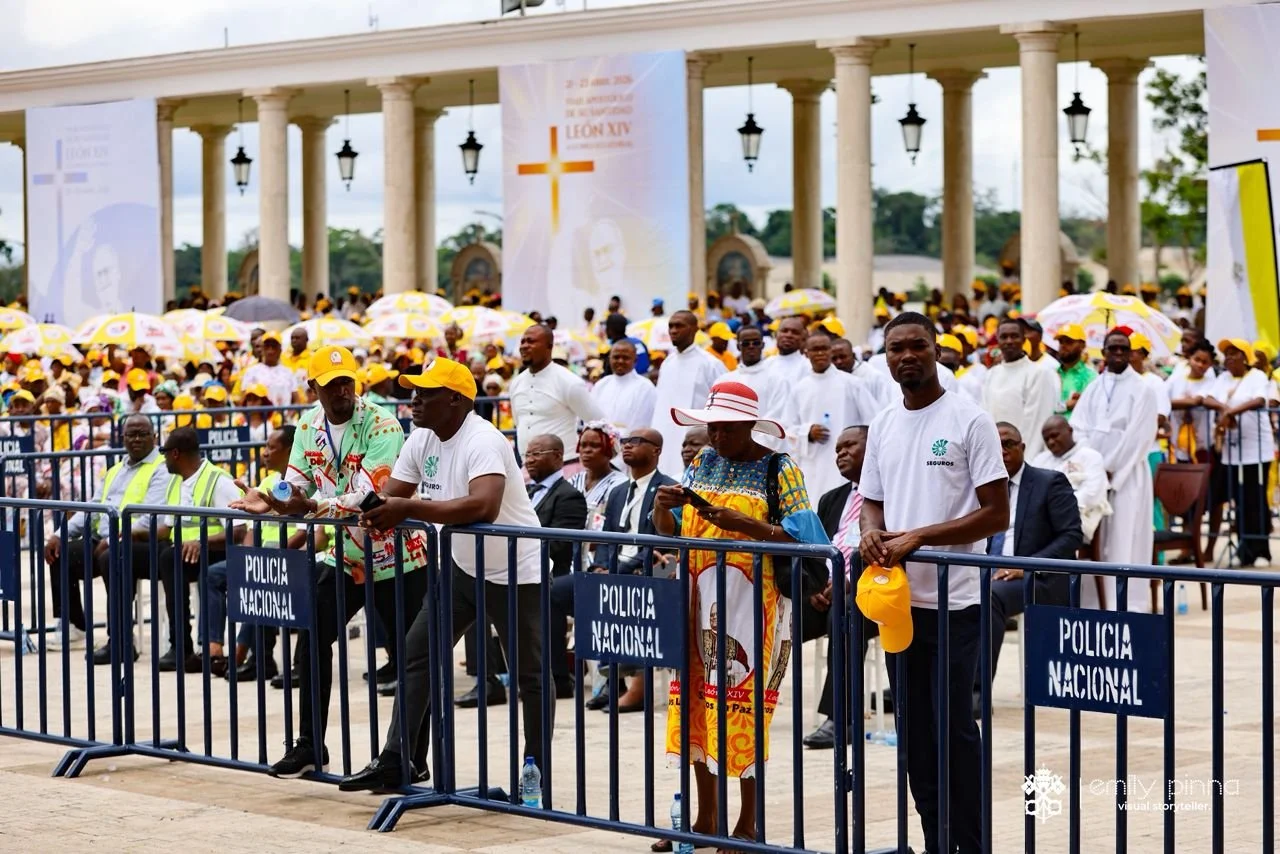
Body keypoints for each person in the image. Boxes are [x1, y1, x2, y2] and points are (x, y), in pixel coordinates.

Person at [339, 357, 552, 792]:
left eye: (426, 393)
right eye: (414, 392)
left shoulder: (483, 440)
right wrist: (365, 507)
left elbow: (483, 506)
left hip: (516, 571)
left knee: (529, 675)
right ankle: (398, 759)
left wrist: (408, 508)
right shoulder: (422, 438)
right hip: (462, 567)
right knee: (416, 653)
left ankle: (536, 770)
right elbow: (392, 495)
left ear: (455, 400)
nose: (414, 400)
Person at [232, 345, 430, 779]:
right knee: (311, 638)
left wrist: (308, 506)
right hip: (345, 553)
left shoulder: (382, 424)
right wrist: (271, 498)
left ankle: (411, 759)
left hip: (398, 555)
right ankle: (309, 745)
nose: (342, 391)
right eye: (332, 384)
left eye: (347, 382)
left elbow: (370, 493)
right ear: (313, 387)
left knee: (411, 657)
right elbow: (296, 483)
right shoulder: (307, 425)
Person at [858, 311, 1008, 854]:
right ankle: (933, 841)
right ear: (886, 357)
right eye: (896, 348)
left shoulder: (970, 420)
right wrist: (871, 533)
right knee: (915, 737)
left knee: (953, 731)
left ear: (937, 349)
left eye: (917, 345)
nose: (907, 356)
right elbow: (872, 500)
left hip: (956, 603)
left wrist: (919, 536)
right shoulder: (882, 423)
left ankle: (969, 844)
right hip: (899, 604)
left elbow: (996, 514)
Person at [653, 381, 828, 848]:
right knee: (694, 705)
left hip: (755, 606)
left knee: (744, 710)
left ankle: (748, 824)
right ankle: (705, 819)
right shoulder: (702, 462)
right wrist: (661, 506)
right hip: (696, 601)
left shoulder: (779, 468)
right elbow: (669, 530)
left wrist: (748, 525)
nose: (717, 436)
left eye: (727, 428)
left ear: (750, 425)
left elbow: (807, 538)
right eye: (712, 427)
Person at [42, 414, 174, 660]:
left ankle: (121, 641)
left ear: (154, 437)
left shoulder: (162, 468)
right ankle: (75, 626)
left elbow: (151, 517)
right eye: (131, 435)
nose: (136, 439)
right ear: (123, 438)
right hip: (106, 539)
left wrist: (115, 539)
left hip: (145, 542)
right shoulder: (115, 471)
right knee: (60, 554)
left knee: (112, 557)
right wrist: (60, 534)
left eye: (143, 434)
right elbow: (93, 509)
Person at [975, 422, 1081, 706]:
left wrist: (1027, 566)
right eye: (995, 445)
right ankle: (930, 684)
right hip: (987, 573)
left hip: (1038, 579)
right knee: (936, 591)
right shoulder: (981, 487)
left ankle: (975, 693)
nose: (1002, 451)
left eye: (1008, 444)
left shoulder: (1050, 482)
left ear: (1022, 447)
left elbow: (1071, 536)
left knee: (989, 597)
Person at [801, 426, 882, 750]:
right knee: (776, 613)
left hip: (874, 593)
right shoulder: (832, 498)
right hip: (828, 592)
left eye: (850, 446)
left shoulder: (891, 495)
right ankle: (742, 699)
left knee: (846, 613)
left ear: (873, 449)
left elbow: (891, 552)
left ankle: (841, 718)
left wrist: (849, 582)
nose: (841, 454)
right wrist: (814, 587)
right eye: (837, 449)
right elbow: (815, 550)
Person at [1069, 330, 1160, 611]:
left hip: (1127, 476)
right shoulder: (1095, 387)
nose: (1118, 353)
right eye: (1113, 348)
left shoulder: (1143, 389)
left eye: (1123, 349)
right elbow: (1078, 427)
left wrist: (1111, 471)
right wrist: (1093, 467)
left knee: (1124, 539)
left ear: (1131, 352)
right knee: (1096, 539)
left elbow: (1139, 436)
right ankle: (1095, 604)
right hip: (1094, 477)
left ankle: (1126, 605)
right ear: (1103, 352)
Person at [154, 427, 246, 671]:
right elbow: (167, 528)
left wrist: (200, 542)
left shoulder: (219, 481)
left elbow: (239, 531)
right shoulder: (176, 482)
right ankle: (125, 641)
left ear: (175, 453)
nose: (163, 459)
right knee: (128, 555)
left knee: (169, 558)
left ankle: (181, 647)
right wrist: (130, 534)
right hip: (184, 551)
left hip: (217, 550)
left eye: (164, 453)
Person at [524, 433, 587, 699]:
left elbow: (559, 545)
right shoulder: (526, 492)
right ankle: (488, 678)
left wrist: (518, 552)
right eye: (527, 454)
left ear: (558, 456)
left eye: (536, 454)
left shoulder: (569, 496)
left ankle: (557, 678)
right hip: (520, 568)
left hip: (551, 571)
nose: (529, 460)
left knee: (547, 595)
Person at [1204, 338, 1275, 566]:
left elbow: (1259, 400)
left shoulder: (1257, 376)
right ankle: (1244, 550)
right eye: (1227, 354)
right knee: (1238, 500)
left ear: (1245, 357)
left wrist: (1231, 412)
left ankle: (1261, 550)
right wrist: (1224, 409)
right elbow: (1208, 398)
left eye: (1235, 353)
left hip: (1255, 450)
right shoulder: (1223, 378)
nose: (1230, 358)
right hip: (1231, 450)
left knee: (1256, 499)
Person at [788, 333, 876, 501]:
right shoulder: (799, 389)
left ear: (830, 351)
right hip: (813, 464)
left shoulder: (852, 384)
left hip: (846, 461)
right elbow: (787, 429)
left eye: (824, 349)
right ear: (806, 353)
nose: (820, 353)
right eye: (815, 349)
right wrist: (807, 432)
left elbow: (872, 421)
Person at [506, 324, 602, 474]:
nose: (524, 346)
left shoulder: (569, 382)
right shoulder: (516, 383)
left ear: (549, 346)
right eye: (522, 342)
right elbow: (519, 423)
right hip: (528, 471)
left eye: (531, 341)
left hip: (565, 470)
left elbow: (599, 423)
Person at [651, 311, 726, 478]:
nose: (673, 330)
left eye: (679, 326)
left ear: (694, 329)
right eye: (671, 326)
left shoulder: (711, 364)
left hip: (695, 441)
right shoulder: (667, 363)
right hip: (665, 433)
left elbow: (721, 407)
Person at [982, 318, 1059, 460]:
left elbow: (1037, 422)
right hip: (996, 456)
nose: (1009, 341)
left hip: (1025, 456)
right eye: (1004, 337)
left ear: (1024, 339)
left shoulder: (1038, 374)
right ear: (997, 341)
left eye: (1014, 336)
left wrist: (1023, 460)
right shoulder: (991, 374)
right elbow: (986, 416)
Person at [1034, 416, 1112, 550]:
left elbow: (1092, 495)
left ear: (1069, 431)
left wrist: (1056, 508)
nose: (1051, 442)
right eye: (1046, 439)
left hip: (1076, 518)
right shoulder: (1040, 460)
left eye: (1055, 436)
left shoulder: (1090, 456)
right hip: (1042, 518)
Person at [722, 326, 790, 453]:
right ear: (738, 346)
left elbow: (777, 417)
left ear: (763, 345)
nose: (751, 346)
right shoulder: (725, 380)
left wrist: (753, 447)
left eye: (756, 343)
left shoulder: (777, 379)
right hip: (731, 449)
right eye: (746, 343)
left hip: (766, 450)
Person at [567, 422, 627, 531]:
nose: (587, 450)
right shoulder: (574, 480)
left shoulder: (620, 484)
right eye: (583, 445)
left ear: (610, 450)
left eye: (594, 445)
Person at [589, 340, 656, 434]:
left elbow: (644, 422)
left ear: (635, 360)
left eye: (625, 358)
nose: (620, 361)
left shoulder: (645, 388)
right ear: (609, 359)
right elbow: (592, 417)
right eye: (616, 357)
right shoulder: (601, 385)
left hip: (631, 441)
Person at [240, 332, 297, 407]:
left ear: (280, 350)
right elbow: (244, 400)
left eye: (274, 347)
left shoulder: (288, 373)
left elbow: (296, 400)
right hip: (261, 414)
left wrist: (290, 413)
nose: (270, 351)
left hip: (283, 413)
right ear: (262, 349)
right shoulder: (251, 372)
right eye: (267, 346)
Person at [1053, 324, 1096, 415]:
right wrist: (1066, 405)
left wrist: (1082, 403)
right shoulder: (1052, 373)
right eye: (1061, 342)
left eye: (1069, 342)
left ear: (1082, 345)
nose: (1063, 346)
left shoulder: (1091, 377)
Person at [766, 317, 811, 386]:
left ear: (803, 338)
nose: (788, 335)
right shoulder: (766, 364)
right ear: (776, 334)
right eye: (784, 331)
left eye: (795, 332)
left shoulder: (808, 367)